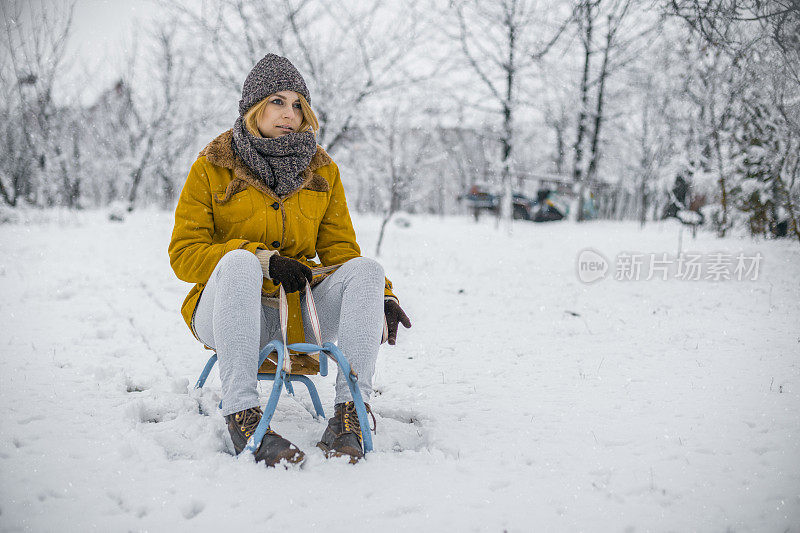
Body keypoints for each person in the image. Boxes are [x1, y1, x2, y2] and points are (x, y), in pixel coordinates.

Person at [168, 54, 411, 466]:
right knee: (242, 264)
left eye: (298, 104)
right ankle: (241, 413)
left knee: (369, 271)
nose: (290, 114)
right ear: (254, 108)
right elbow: (183, 255)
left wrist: (379, 297)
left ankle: (349, 414)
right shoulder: (212, 167)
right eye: (278, 102)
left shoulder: (322, 172)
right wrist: (261, 260)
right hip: (227, 308)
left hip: (297, 312)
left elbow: (342, 254)